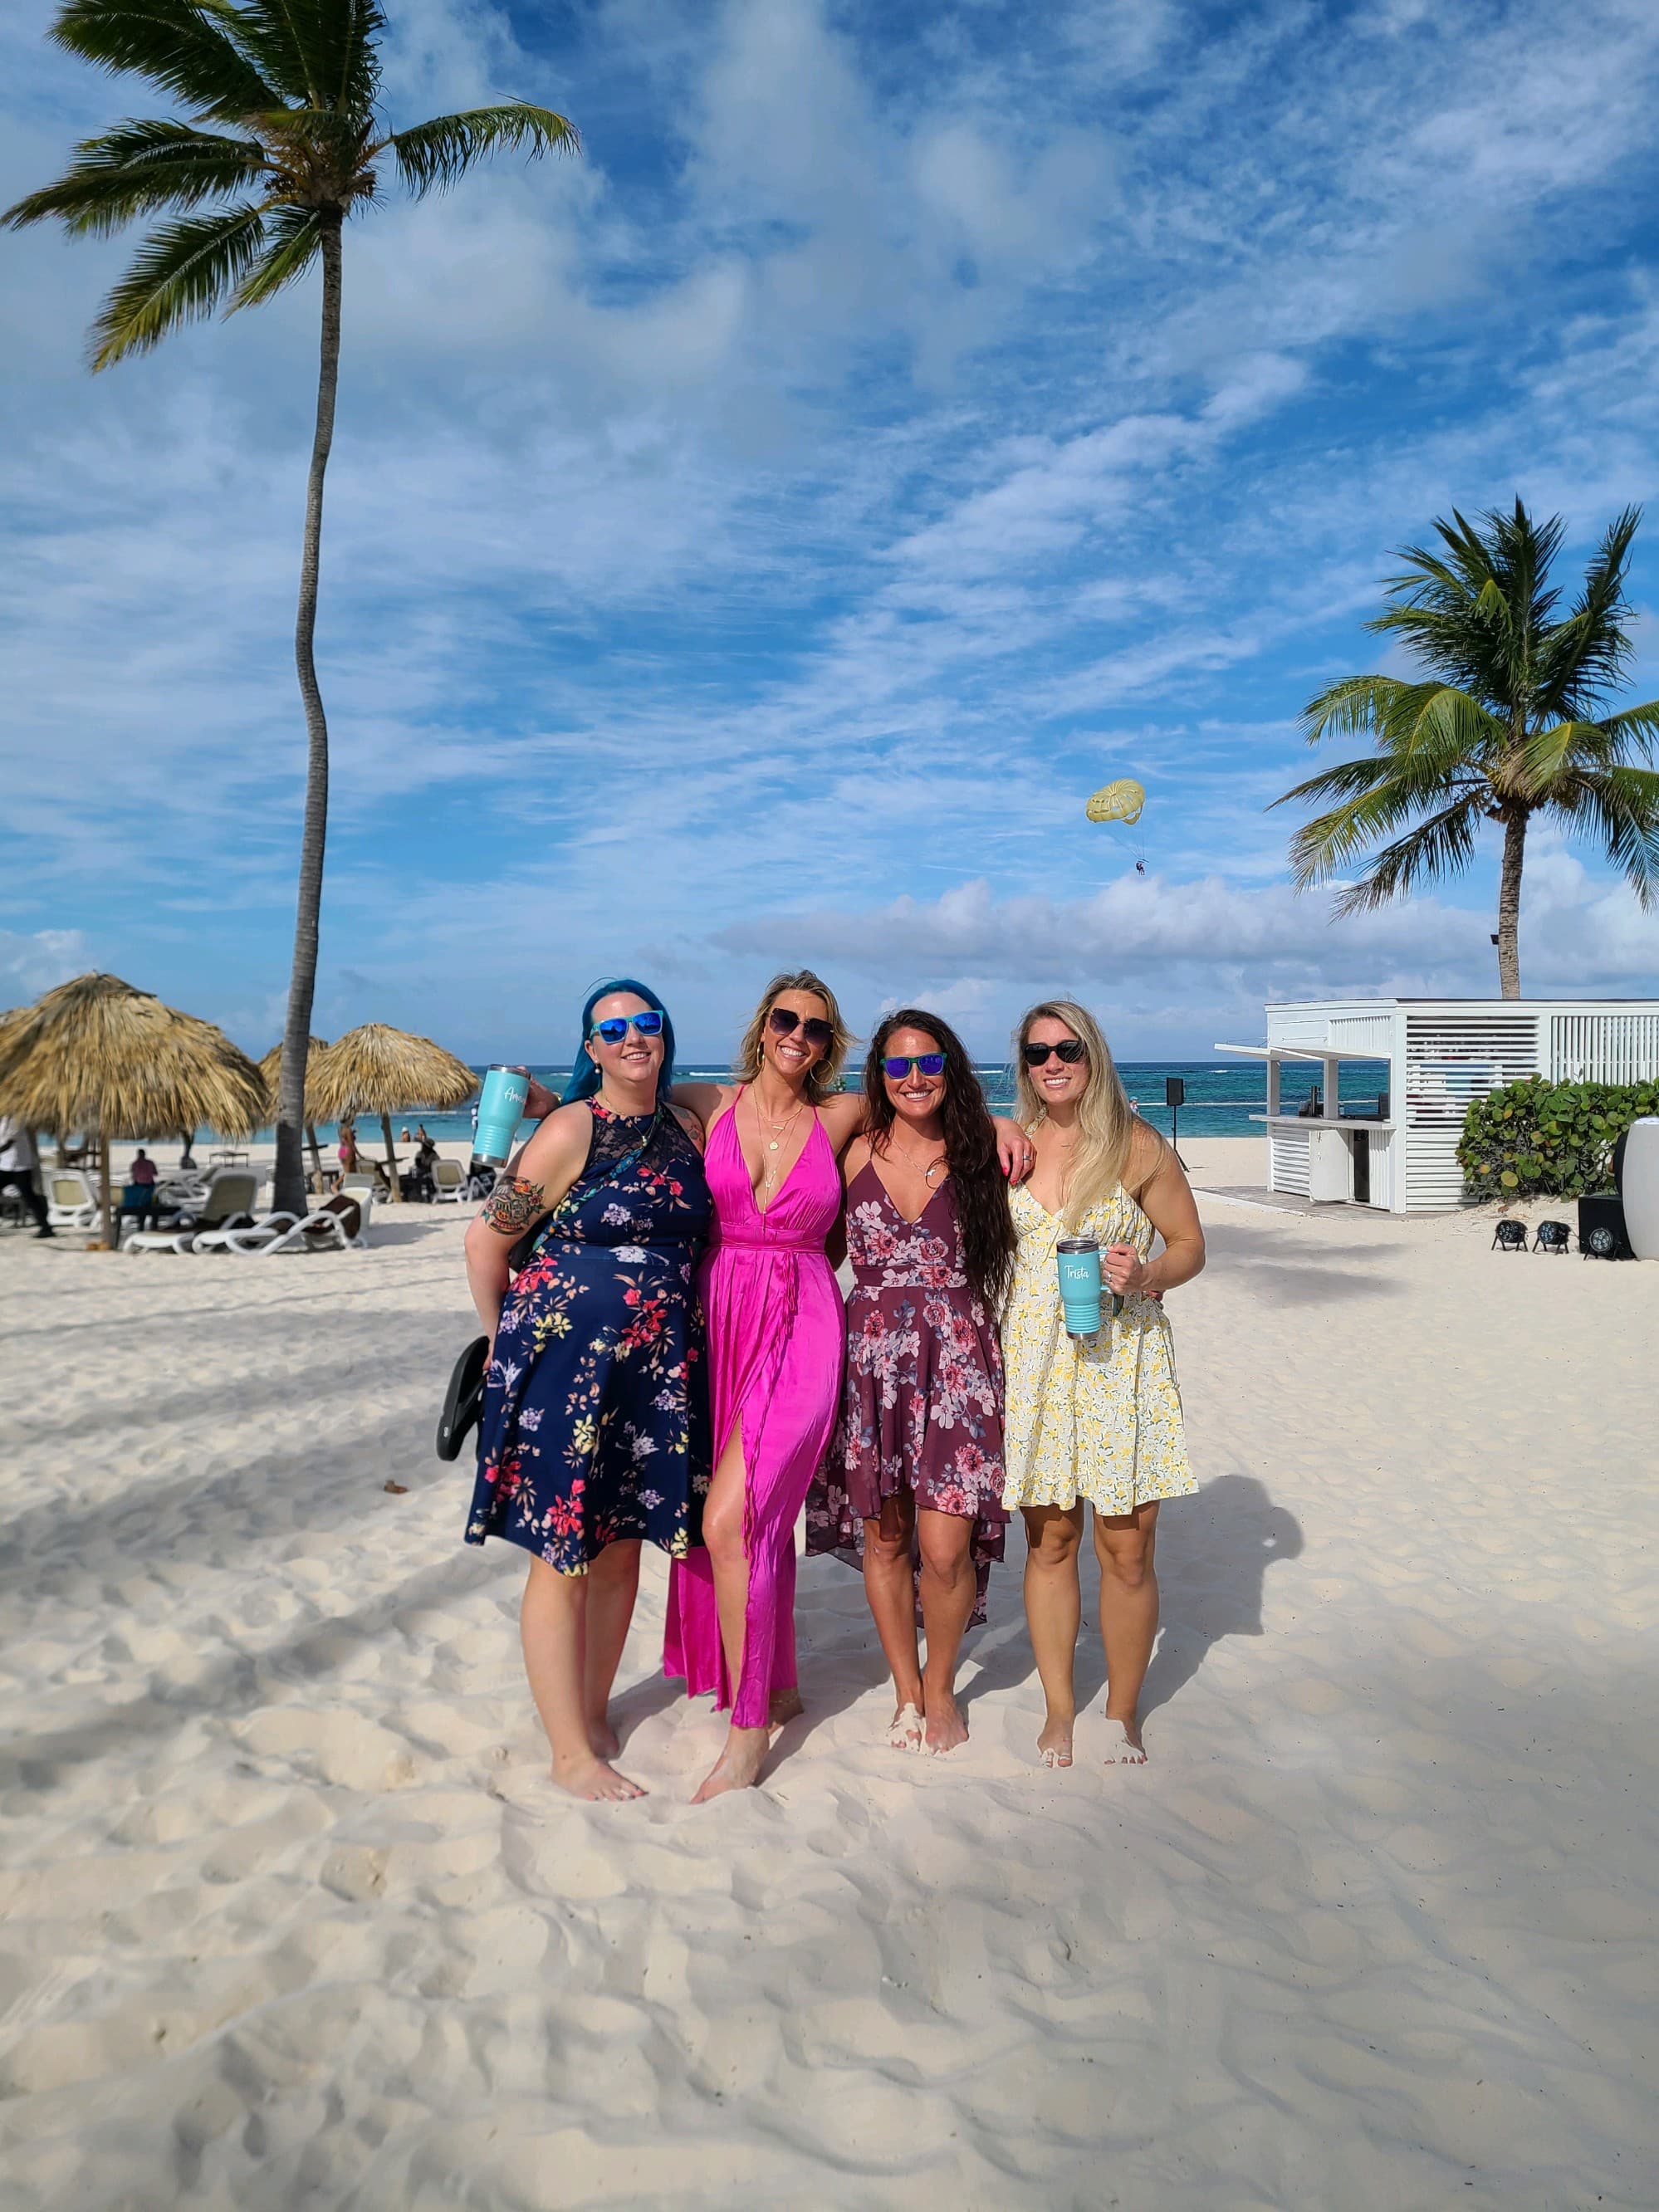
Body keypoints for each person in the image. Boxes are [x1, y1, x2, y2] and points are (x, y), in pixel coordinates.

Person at [463, 981, 712, 1803]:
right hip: (564, 1368)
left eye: (647, 1023)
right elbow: (485, 1241)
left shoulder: (687, 1120)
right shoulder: (573, 1129)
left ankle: (595, 1712)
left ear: (665, 1034)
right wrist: (507, 1344)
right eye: (615, 1030)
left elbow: (783, 1095)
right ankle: (570, 1755)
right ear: (593, 1049)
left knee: (619, 1550)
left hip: (652, 1374)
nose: (634, 1037)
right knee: (563, 1556)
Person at [1001, 1000, 1205, 1769]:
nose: (1053, 1064)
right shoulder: (1010, 1149)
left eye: (1069, 1049)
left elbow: (1189, 1245)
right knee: (1050, 1540)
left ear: (1094, 1055)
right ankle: (1060, 1711)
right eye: (1037, 1053)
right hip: (1036, 1366)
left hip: (1123, 1363)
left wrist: (1147, 1272)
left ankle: (1120, 1712)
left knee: (1127, 1547)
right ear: (1023, 1065)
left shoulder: (1137, 1145)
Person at [806, 1010, 1015, 1755]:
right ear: (880, 1078)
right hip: (869, 1365)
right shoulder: (853, 1150)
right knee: (886, 1541)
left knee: (946, 1548)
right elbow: (811, 1248)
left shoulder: (981, 1149)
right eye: (898, 1067)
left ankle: (941, 1686)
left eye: (929, 1063)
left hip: (959, 1363)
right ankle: (905, 1690)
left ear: (951, 1070)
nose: (915, 1078)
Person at [0, 1118, 52, 1237]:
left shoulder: (17, 1120)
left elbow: (9, 1143)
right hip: (6, 1165)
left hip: (20, 1167)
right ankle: (46, 1227)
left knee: (30, 1198)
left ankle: (46, 1228)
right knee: (30, 1197)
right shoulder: (4, 1120)